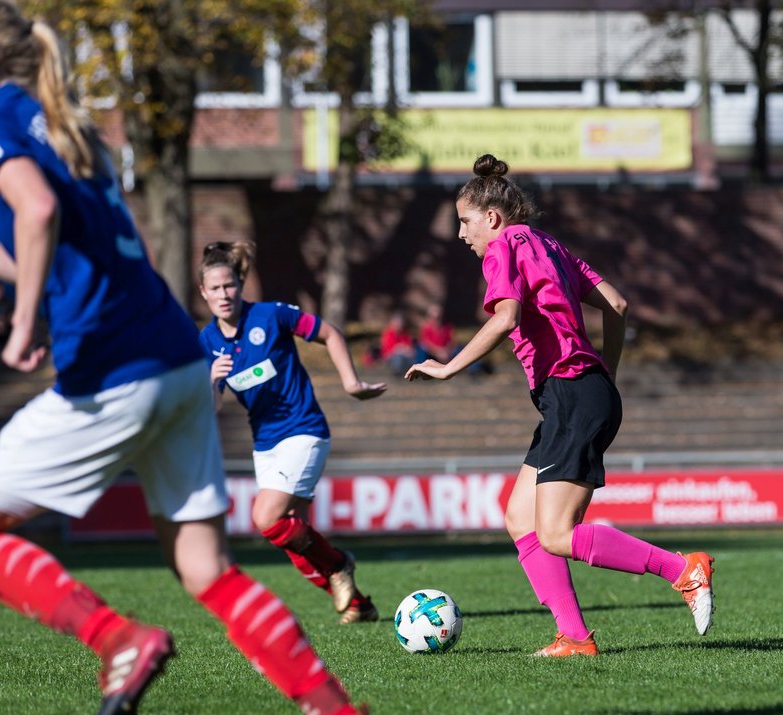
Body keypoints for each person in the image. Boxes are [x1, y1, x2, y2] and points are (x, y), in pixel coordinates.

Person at [0, 0, 382, 715]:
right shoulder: (52, 124)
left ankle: (118, 639)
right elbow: (50, 243)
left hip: (117, 370)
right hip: (177, 361)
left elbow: (34, 214)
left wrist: (25, 320)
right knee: (205, 567)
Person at [405, 153, 715, 657]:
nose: (462, 234)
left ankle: (683, 570)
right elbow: (617, 305)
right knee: (520, 520)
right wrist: (606, 372)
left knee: (554, 532)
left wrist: (446, 366)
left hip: (572, 394)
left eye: (464, 222)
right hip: (578, 393)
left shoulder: (502, 245)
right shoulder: (550, 244)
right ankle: (573, 637)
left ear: (492, 217)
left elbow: (506, 317)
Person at [199, 240, 386, 624]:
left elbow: (331, 333)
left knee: (266, 517)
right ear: (203, 293)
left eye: (229, 285)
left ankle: (339, 565)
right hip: (264, 443)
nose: (223, 294)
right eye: (214, 288)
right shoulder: (207, 342)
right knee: (295, 542)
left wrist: (351, 383)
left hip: (304, 429)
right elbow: (211, 410)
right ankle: (359, 606)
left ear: (240, 284)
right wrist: (210, 383)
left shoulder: (271, 315)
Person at [379, 310, 417, 376]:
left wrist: (401, 348)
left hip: (405, 357)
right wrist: (401, 348)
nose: (399, 325)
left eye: (400, 323)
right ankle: (397, 374)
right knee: (398, 358)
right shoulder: (388, 333)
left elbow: (411, 350)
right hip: (391, 358)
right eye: (397, 322)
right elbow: (389, 351)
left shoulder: (405, 334)